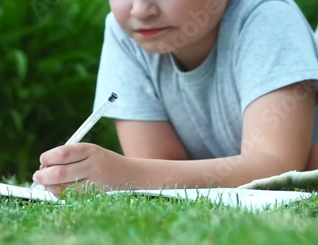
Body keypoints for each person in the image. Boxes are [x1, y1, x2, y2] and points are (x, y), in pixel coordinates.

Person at [32, 0, 318, 195]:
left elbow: (277, 168)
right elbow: (158, 167)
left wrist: (123, 174)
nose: (142, 9)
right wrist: (125, 173)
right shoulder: (128, 34)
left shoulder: (268, 18)